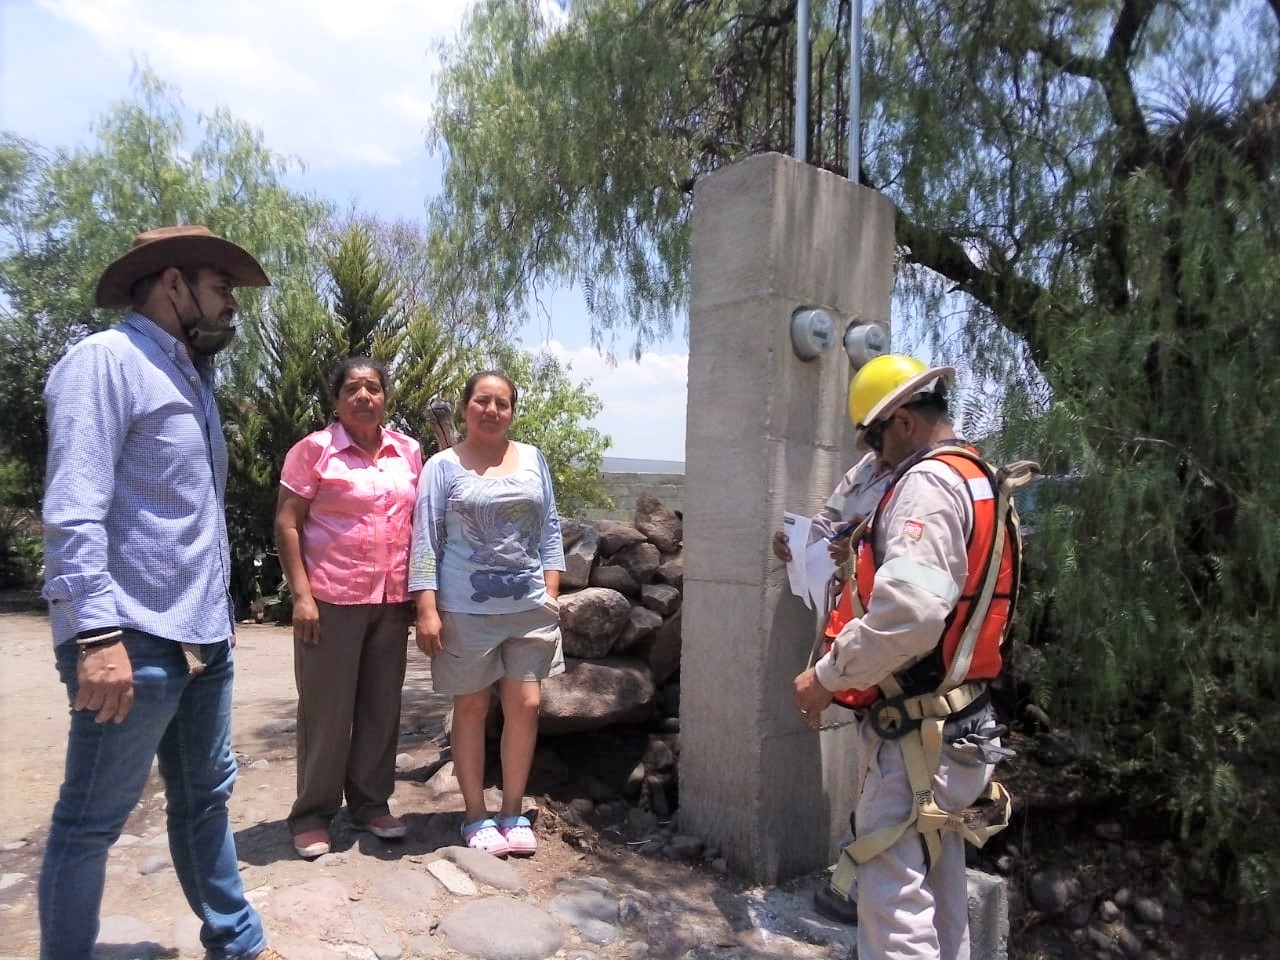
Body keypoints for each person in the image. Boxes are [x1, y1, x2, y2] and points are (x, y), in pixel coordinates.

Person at [39, 226, 285, 960]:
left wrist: (222, 620)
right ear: (172, 284)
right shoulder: (105, 363)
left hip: (203, 638)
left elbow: (187, 516)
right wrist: (95, 636)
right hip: (131, 639)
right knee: (90, 824)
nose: (233, 308)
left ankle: (238, 942)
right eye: (222, 291)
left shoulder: (191, 379)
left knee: (205, 801)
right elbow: (74, 506)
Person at [793, 354, 1024, 960]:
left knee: (894, 909)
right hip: (964, 723)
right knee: (942, 889)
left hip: (919, 733)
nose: (873, 457)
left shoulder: (925, 484)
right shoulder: (980, 475)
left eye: (874, 437)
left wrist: (825, 677)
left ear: (901, 420)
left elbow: (911, 615)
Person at [408, 370, 565, 857]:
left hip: (529, 608)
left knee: (526, 706)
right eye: (482, 401)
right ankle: (474, 815)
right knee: (471, 708)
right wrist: (426, 607)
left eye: (502, 403)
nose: (492, 410)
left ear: (512, 410)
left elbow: (550, 529)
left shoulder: (533, 458)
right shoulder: (442, 465)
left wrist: (552, 590)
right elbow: (426, 538)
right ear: (464, 408)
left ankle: (513, 810)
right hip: (464, 610)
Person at [275, 357, 423, 859]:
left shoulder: (409, 451)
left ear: (386, 397)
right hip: (330, 599)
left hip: (392, 600)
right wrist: (300, 595)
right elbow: (288, 524)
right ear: (337, 400)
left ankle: (370, 803)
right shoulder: (314, 451)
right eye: (353, 388)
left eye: (374, 387)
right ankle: (313, 814)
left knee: (382, 707)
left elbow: (420, 525)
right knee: (326, 711)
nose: (364, 396)